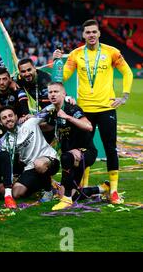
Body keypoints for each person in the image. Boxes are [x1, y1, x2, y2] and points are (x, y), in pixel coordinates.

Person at [53, 19, 134, 204]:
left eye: (94, 32)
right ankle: (83, 185)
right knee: (85, 149)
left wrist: (125, 96)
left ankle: (113, 191)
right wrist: (57, 62)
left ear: (99, 34)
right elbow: (62, 77)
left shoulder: (111, 52)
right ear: (83, 35)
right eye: (87, 32)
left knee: (110, 148)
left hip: (106, 108)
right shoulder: (75, 55)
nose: (91, 35)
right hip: (85, 111)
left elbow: (127, 72)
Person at [0, 106, 60, 204]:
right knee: (16, 193)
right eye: (4, 118)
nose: (8, 119)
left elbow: (47, 110)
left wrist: (67, 99)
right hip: (30, 167)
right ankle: (40, 187)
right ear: (0, 122)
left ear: (16, 117)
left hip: (49, 159)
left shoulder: (30, 122)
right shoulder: (4, 141)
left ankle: (48, 191)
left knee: (39, 164)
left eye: (10, 116)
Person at [46, 82, 98, 210]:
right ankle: (101, 188)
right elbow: (48, 125)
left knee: (66, 157)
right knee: (65, 193)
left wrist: (67, 117)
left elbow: (88, 126)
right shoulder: (53, 112)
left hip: (86, 152)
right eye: (50, 92)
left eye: (56, 92)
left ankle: (67, 200)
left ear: (64, 94)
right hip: (71, 155)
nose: (53, 94)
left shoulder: (72, 109)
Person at [0, 67, 28, 145]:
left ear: (10, 79)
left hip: (16, 126)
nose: (2, 82)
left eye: (4, 79)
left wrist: (16, 89)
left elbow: (23, 100)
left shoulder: (16, 89)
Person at [16, 58, 54, 143]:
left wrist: (34, 118)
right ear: (19, 72)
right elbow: (22, 97)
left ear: (34, 68)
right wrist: (25, 114)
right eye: (23, 71)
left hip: (52, 113)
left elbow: (48, 108)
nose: (26, 74)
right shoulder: (19, 79)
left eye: (29, 70)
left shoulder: (45, 80)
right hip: (38, 115)